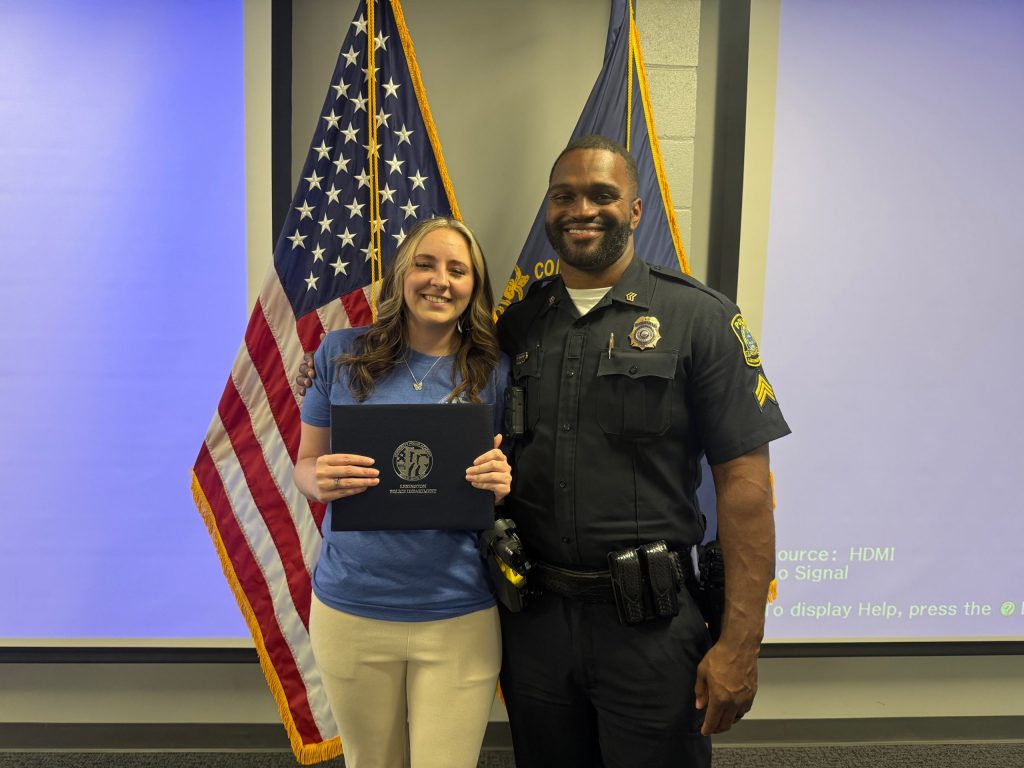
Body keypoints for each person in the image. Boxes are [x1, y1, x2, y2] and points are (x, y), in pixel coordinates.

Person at [493, 135, 791, 768]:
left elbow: (745, 489)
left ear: (635, 211)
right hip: (536, 627)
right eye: (564, 196)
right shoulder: (518, 325)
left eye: (602, 195)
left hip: (650, 627)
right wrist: (333, 378)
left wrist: (741, 644)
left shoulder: (699, 318)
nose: (581, 210)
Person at [293, 216, 512, 768]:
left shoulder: (494, 370)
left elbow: (508, 479)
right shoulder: (340, 354)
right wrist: (317, 479)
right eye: (425, 264)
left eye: (457, 270)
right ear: (400, 275)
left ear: (473, 287)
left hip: (458, 611)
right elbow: (304, 465)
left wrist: (500, 486)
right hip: (352, 608)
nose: (440, 280)